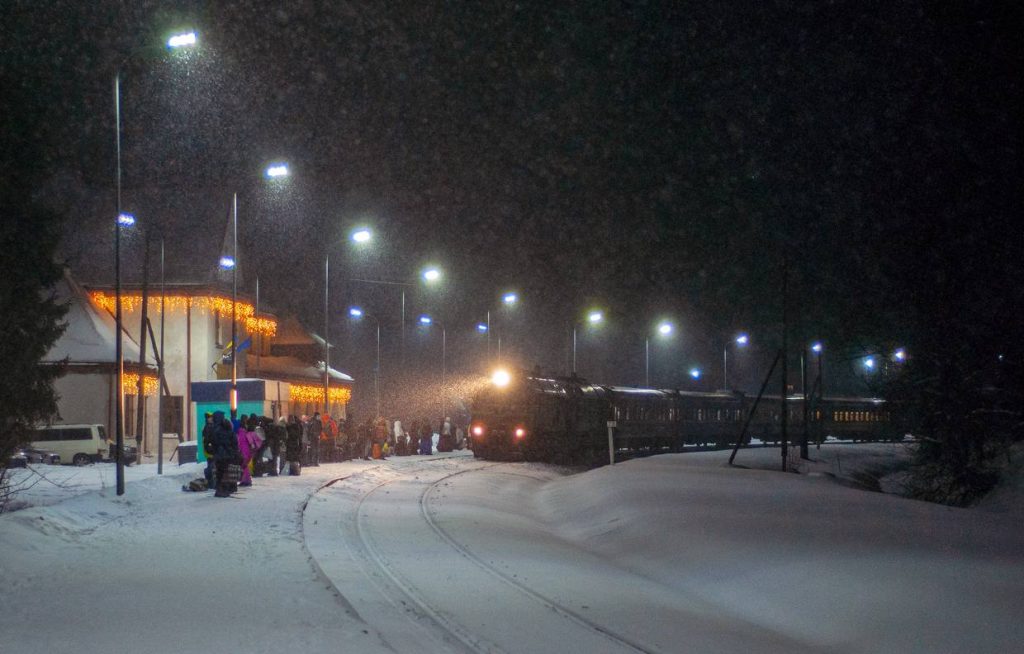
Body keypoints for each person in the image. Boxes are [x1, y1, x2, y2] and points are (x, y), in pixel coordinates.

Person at [212, 411, 241, 498]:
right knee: (226, 473)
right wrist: (234, 452)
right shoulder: (230, 433)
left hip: (219, 455)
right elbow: (234, 444)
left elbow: (214, 443)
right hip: (227, 455)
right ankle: (224, 489)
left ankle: (219, 489)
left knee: (219, 472)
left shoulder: (216, 430)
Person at [201, 412, 216, 490]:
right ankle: (211, 483)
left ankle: (210, 482)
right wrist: (210, 448)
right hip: (210, 450)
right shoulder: (208, 427)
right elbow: (207, 440)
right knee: (211, 466)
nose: (212, 418)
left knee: (211, 465)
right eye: (210, 417)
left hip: (209, 450)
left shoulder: (208, 426)